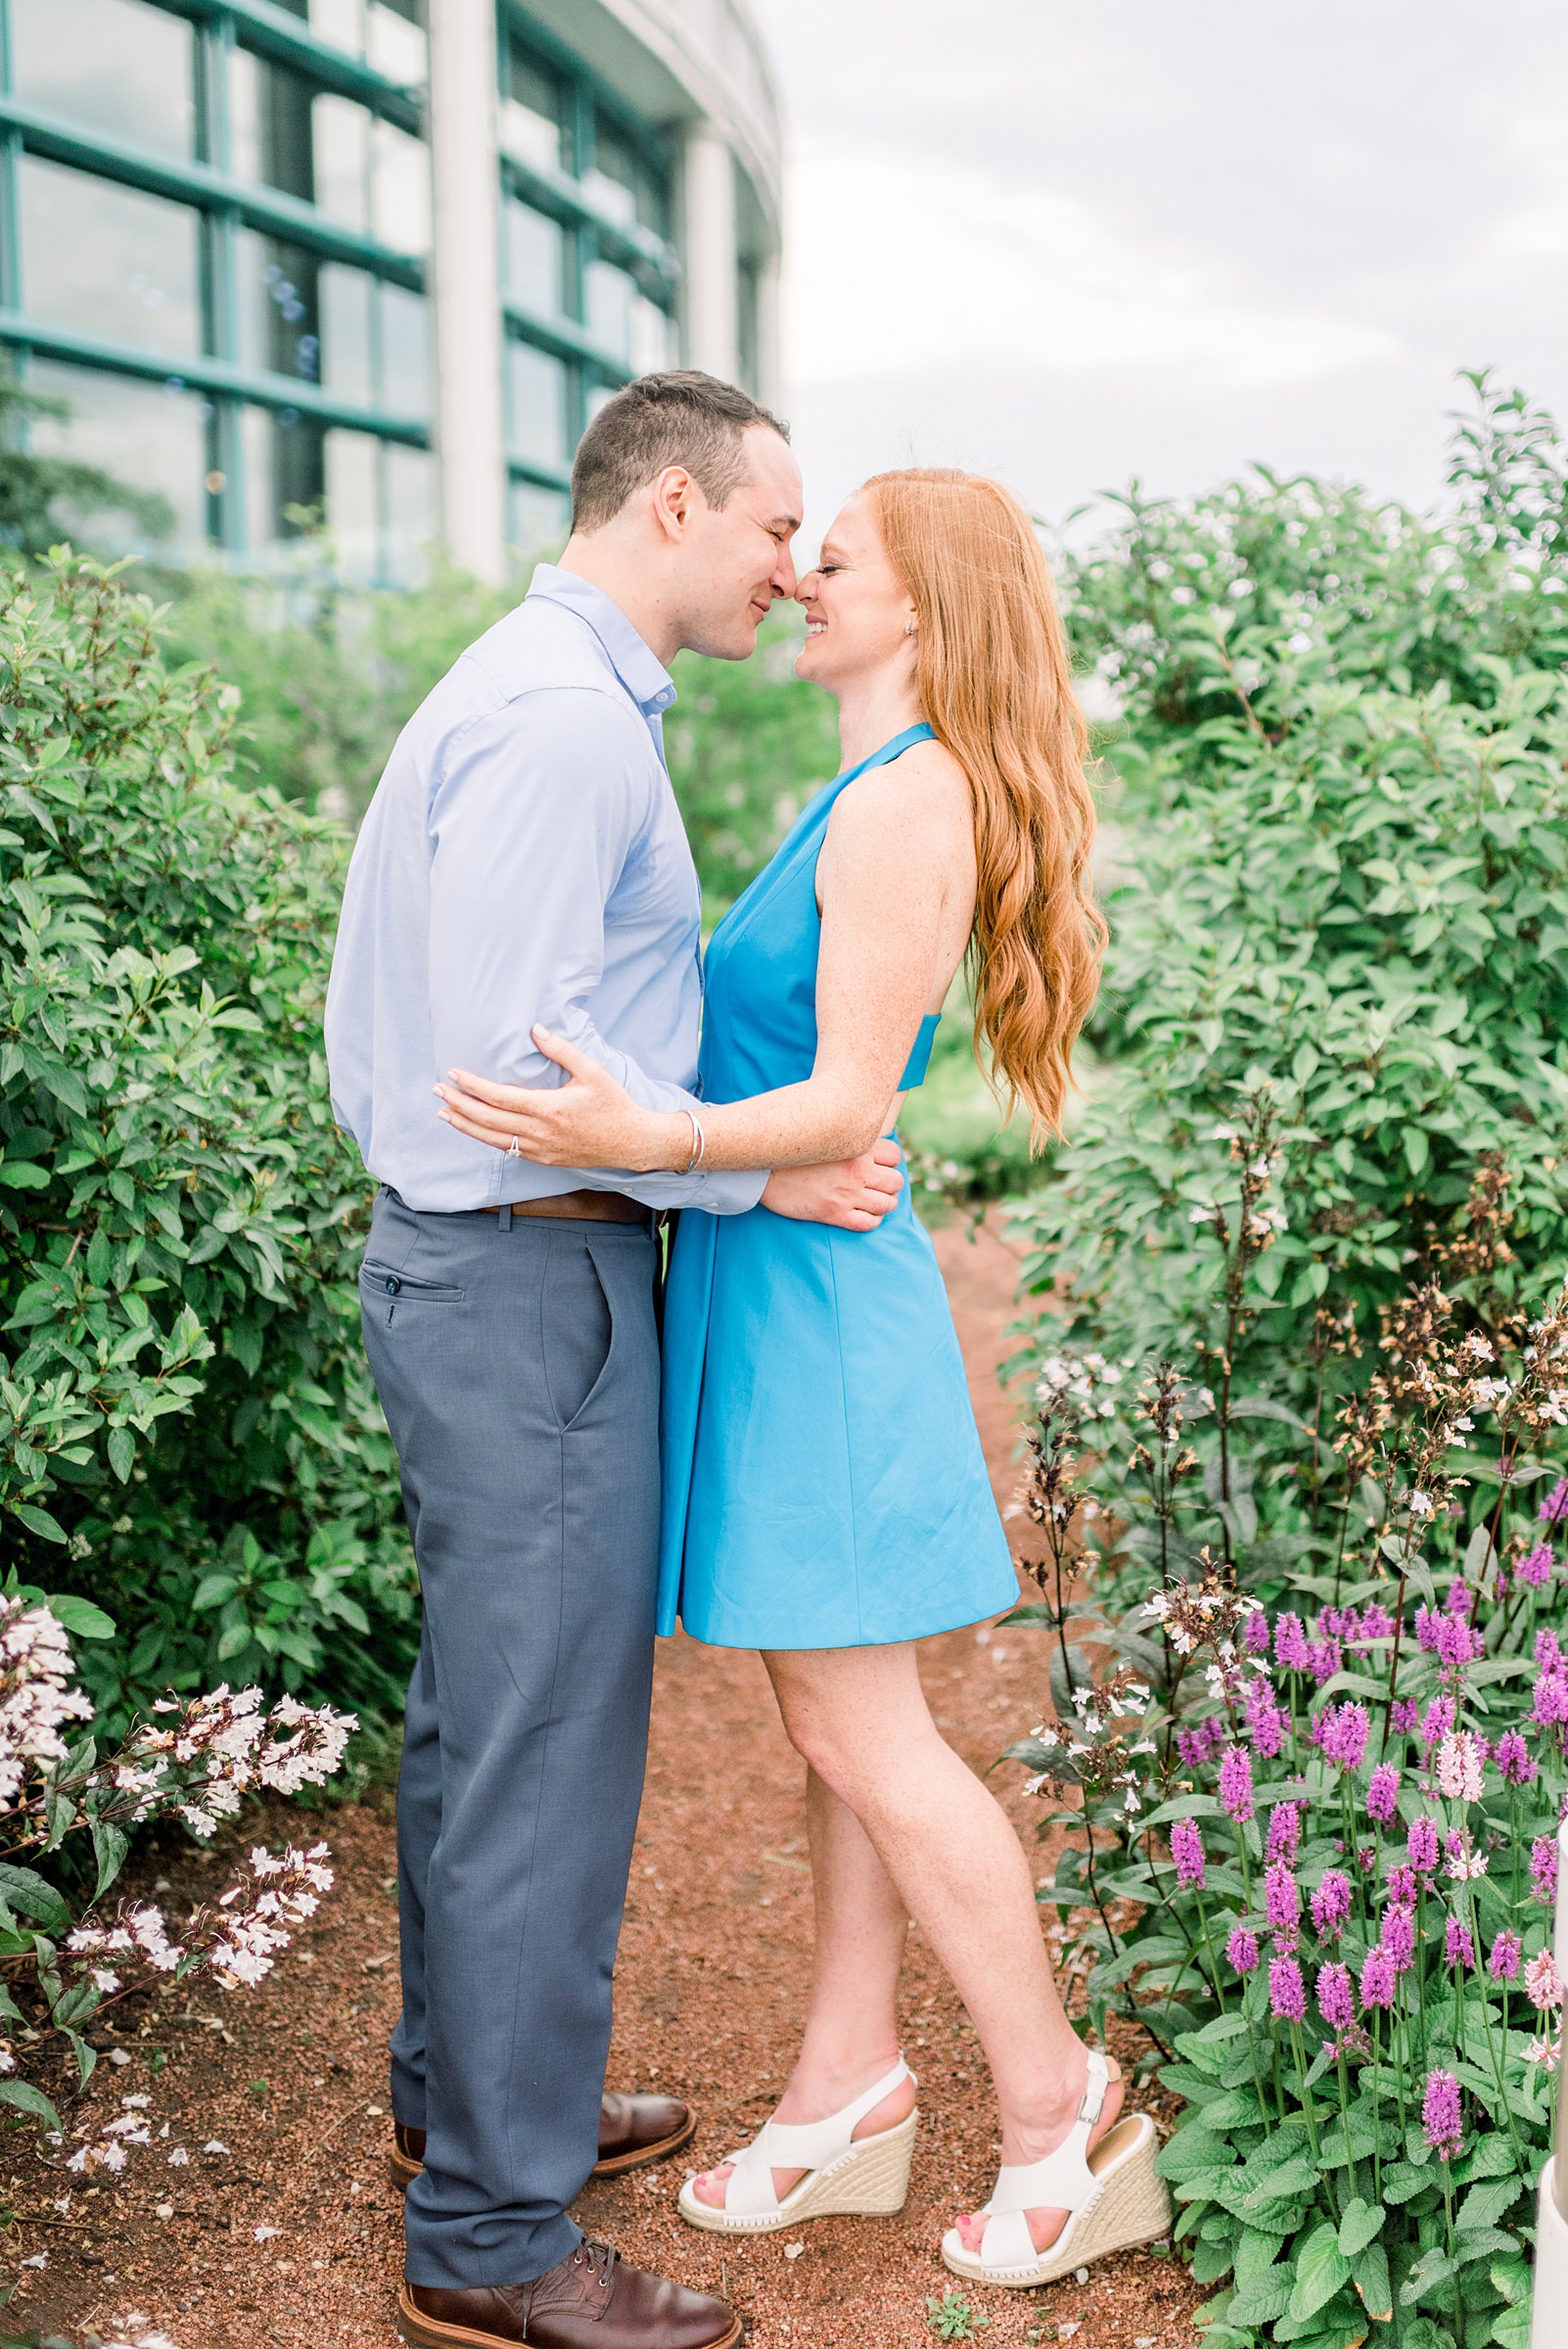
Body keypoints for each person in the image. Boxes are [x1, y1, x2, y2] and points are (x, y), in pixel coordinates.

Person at [434, 467, 1174, 2295]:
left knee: (864, 1735)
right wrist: (718, 1149)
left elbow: (846, 1107)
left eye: (828, 558)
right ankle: (847, 2090)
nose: (796, 576)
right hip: (784, 1295)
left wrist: (640, 1131)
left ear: (919, 606)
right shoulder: (864, 789)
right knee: (831, 1737)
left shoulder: (906, 806)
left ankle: (1057, 2118)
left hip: (817, 1317)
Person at [324, 371, 907, 2349]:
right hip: (523, 1281)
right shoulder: (569, 724)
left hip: (484, 1275)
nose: (789, 565)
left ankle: (470, 2111)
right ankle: (493, 2240)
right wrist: (764, 1181)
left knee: (477, 1734)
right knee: (543, 1755)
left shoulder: (531, 685)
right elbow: (513, 1083)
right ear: (673, 507)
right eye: (772, 528)